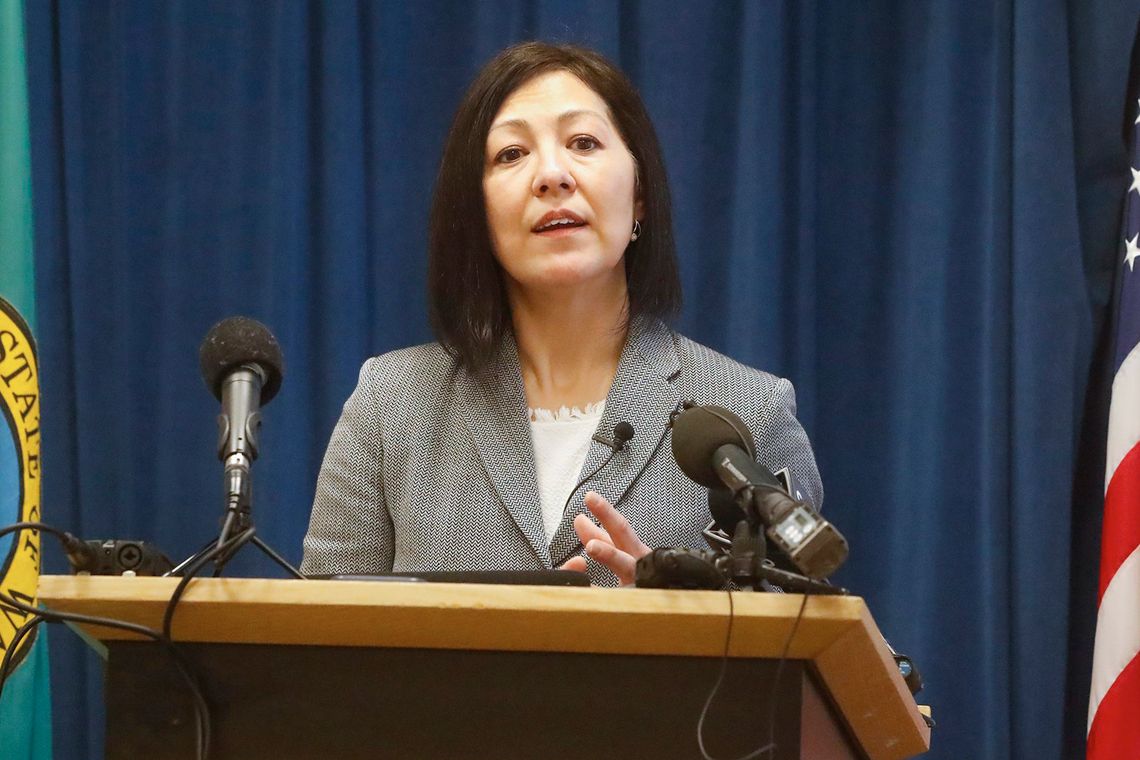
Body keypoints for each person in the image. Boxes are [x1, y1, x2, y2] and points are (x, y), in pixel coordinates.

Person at [300, 42, 822, 586]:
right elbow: (321, 643)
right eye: (511, 154)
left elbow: (801, 641)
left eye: (583, 143)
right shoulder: (390, 405)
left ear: (639, 195)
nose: (551, 175)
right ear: (477, 211)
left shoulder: (749, 415)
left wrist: (688, 621)